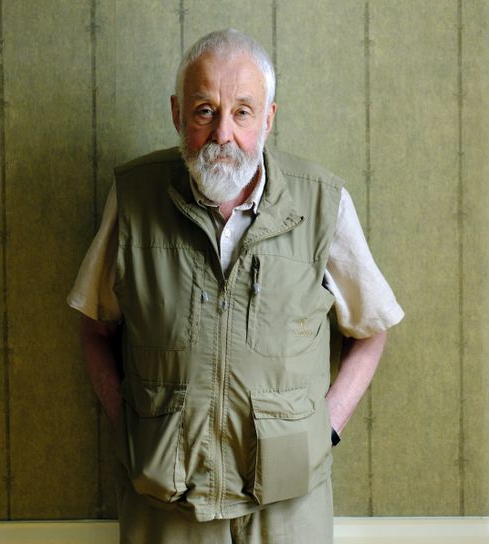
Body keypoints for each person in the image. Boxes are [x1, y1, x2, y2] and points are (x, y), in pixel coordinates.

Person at [67, 28, 403, 544]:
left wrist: (324, 431)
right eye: (205, 110)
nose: (223, 133)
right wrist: (130, 428)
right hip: (166, 503)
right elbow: (94, 328)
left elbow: (372, 329)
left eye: (242, 112)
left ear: (268, 119)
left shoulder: (322, 204)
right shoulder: (134, 197)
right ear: (178, 114)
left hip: (289, 503)